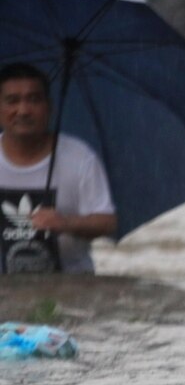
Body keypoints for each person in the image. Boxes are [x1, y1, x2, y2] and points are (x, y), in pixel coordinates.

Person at [0, 63, 116, 274]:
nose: (24, 110)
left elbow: (107, 221)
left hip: (70, 286)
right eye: (12, 101)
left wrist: (66, 222)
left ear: (49, 107)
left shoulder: (80, 157)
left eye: (34, 99)